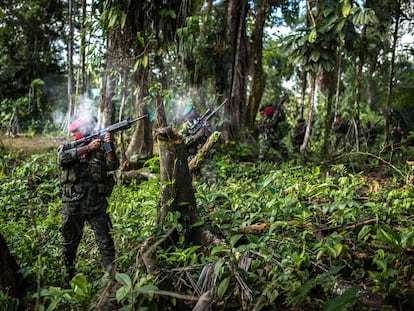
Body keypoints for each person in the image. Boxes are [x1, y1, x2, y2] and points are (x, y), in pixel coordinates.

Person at [57, 117, 119, 288]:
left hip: (96, 204)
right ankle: (67, 278)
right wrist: (86, 147)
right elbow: (62, 158)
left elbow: (113, 164)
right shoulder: (68, 148)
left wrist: (109, 146)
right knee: (69, 243)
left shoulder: (99, 150)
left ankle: (112, 279)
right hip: (72, 205)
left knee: (105, 241)